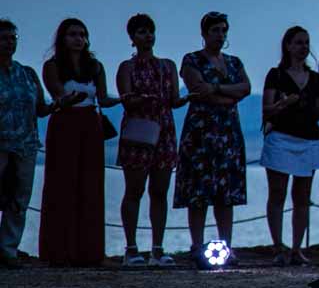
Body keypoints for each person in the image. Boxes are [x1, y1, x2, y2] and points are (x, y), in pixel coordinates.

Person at [40, 19, 122, 266]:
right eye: (73, 34)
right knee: (62, 186)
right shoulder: (52, 66)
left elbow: (103, 98)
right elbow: (58, 94)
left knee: (91, 186)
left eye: (82, 34)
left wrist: (124, 99)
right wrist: (70, 98)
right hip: (65, 123)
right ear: (62, 38)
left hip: (90, 124)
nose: (78, 39)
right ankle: (59, 251)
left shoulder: (95, 66)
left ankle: (90, 251)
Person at [262, 26, 319, 266]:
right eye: (298, 42)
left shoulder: (315, 79)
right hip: (280, 137)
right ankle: (278, 246)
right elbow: (266, 109)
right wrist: (283, 104)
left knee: (302, 196)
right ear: (287, 45)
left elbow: (315, 113)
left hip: (307, 139)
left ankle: (296, 249)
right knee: (277, 193)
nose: (303, 47)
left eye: (306, 42)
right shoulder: (275, 75)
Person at [175, 12, 250, 265]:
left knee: (225, 193)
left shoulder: (234, 62)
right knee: (198, 192)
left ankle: (225, 245)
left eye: (223, 30)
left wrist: (217, 89)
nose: (220, 35)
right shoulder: (192, 60)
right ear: (204, 33)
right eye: (215, 30)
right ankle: (197, 246)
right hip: (200, 133)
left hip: (228, 133)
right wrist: (228, 95)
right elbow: (198, 89)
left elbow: (245, 89)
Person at [116, 14, 186, 268]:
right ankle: (131, 248)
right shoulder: (127, 67)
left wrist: (190, 97)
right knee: (134, 190)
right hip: (138, 131)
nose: (148, 37)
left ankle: (157, 249)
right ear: (132, 38)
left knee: (160, 191)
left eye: (150, 32)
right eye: (142, 32)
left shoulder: (167, 66)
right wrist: (145, 98)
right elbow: (127, 99)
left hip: (165, 131)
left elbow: (174, 100)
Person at [0, 20, 62, 269]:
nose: (9, 42)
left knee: (18, 200)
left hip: (25, 145)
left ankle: (7, 250)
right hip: (1, 145)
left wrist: (59, 105)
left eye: (13, 38)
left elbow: (40, 109)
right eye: (4, 38)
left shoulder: (27, 73)